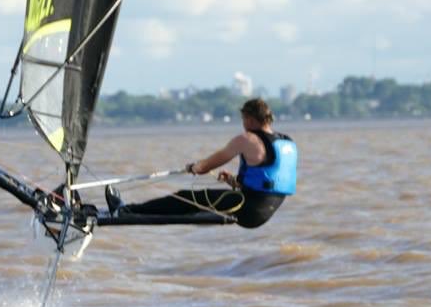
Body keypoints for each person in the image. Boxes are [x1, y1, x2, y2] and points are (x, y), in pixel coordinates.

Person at [106, 98, 298, 229]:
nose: (243, 124)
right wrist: (233, 181)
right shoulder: (286, 142)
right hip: (265, 211)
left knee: (185, 198)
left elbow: (205, 167)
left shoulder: (247, 139)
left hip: (246, 207)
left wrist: (195, 167)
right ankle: (131, 210)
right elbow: (267, 182)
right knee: (196, 204)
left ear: (249, 118)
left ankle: (126, 211)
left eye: (243, 119)